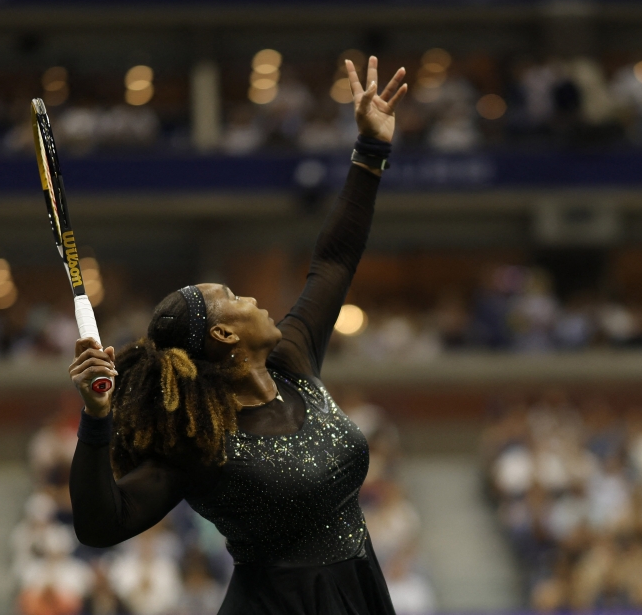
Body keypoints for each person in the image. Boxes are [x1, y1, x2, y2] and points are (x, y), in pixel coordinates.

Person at [67, 56, 407, 615]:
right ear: (224, 335)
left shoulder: (293, 362)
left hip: (360, 593)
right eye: (233, 297)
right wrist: (97, 420)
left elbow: (334, 260)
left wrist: (370, 151)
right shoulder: (197, 441)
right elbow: (101, 525)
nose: (251, 298)